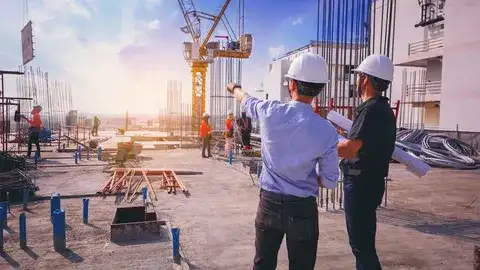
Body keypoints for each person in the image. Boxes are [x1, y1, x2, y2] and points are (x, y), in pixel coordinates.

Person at [227, 52, 339, 270]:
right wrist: (304, 176)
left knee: (263, 265)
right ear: (320, 88)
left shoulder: (271, 111)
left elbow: (245, 99)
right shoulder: (327, 131)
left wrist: (234, 88)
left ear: (292, 84)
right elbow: (330, 181)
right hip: (303, 210)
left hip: (269, 204)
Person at [337, 54, 396, 270]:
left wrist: (323, 147)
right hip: (370, 183)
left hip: (360, 185)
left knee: (360, 245)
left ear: (365, 79)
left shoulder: (370, 109)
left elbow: (351, 149)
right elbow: (364, 143)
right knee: (364, 243)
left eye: (359, 76)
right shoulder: (383, 110)